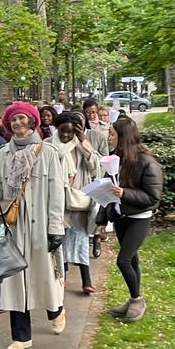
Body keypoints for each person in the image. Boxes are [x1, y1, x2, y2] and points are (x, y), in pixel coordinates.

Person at [0, 102, 65, 349]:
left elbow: (56, 192)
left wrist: (56, 228)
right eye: (13, 119)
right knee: (15, 281)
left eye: (22, 118)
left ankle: (57, 310)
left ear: (33, 121)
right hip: (13, 224)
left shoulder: (48, 152)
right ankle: (21, 336)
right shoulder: (3, 154)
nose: (17, 123)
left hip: (41, 223)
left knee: (45, 276)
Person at [95, 116, 163, 322]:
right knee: (131, 259)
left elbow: (153, 197)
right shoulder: (115, 158)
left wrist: (124, 193)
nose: (109, 137)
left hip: (138, 218)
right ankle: (133, 300)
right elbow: (107, 193)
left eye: (112, 134)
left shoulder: (146, 161)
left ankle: (137, 299)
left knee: (123, 260)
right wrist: (101, 220)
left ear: (123, 137)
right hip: (121, 216)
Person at [51, 113, 101, 294]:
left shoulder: (81, 145)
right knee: (59, 239)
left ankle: (86, 280)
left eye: (70, 132)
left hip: (78, 200)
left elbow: (96, 166)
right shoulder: (50, 145)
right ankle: (61, 277)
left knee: (80, 239)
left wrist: (83, 141)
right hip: (57, 200)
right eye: (62, 131)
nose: (65, 135)